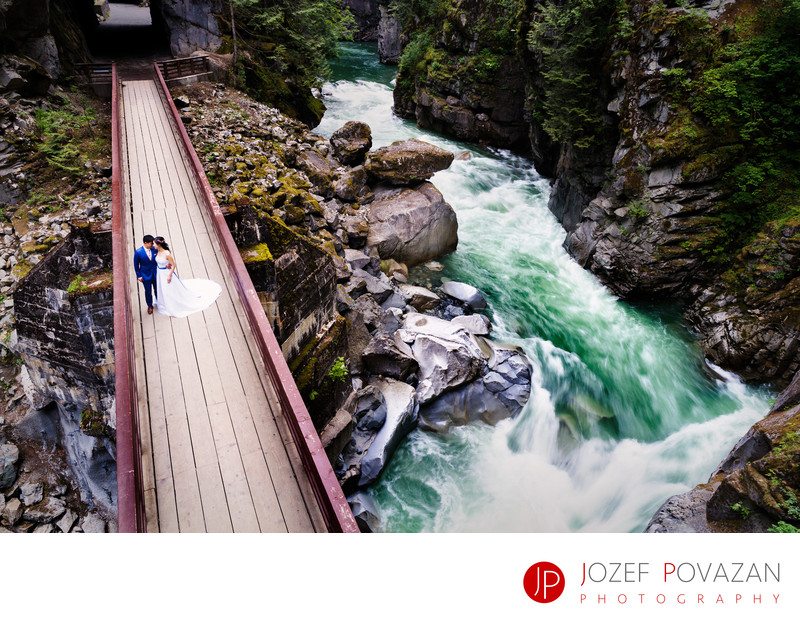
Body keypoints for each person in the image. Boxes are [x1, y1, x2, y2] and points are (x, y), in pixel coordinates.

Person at [152, 236, 222, 318]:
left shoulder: (167, 253)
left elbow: (173, 265)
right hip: (159, 273)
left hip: (166, 274)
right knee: (161, 288)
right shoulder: (157, 251)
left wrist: (169, 275)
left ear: (159, 245)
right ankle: (163, 302)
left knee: (168, 289)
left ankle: (171, 304)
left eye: (154, 244)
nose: (153, 245)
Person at [133, 234, 158, 314]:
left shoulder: (154, 249)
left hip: (155, 273)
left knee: (157, 288)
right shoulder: (138, 252)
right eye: (151, 243)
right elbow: (136, 265)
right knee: (148, 291)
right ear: (146, 243)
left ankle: (160, 302)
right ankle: (150, 305)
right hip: (145, 275)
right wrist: (139, 276)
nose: (152, 245)